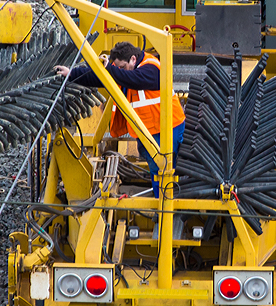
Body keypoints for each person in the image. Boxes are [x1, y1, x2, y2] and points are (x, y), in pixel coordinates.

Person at [56, 41, 185, 195]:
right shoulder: (129, 69)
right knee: (157, 172)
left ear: (133, 59)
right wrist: (71, 74)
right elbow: (103, 78)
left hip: (167, 129)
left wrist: (110, 69)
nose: (120, 71)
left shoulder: (152, 68)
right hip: (150, 131)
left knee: (163, 173)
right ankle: (163, 206)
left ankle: (165, 212)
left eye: (122, 67)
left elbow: (132, 78)